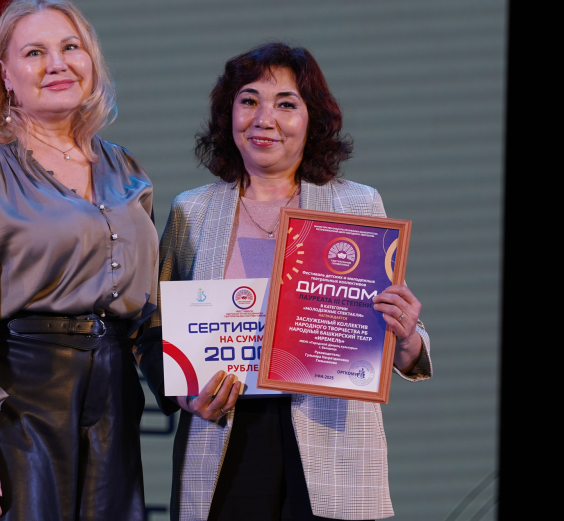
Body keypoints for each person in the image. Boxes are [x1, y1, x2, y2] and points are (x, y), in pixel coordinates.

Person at [153, 43, 433, 521]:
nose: (265, 119)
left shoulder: (357, 205)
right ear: (228, 114)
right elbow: (156, 326)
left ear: (311, 119)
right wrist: (182, 391)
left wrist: (406, 336)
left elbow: (397, 340)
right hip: (225, 433)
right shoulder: (191, 212)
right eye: (249, 100)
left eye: (285, 103)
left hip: (333, 439)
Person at [0, 0, 159, 521]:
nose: (58, 64)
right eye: (35, 53)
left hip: (113, 398)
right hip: (20, 399)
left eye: (71, 47)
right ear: (5, 74)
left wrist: (188, 387)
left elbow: (149, 312)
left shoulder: (125, 170)